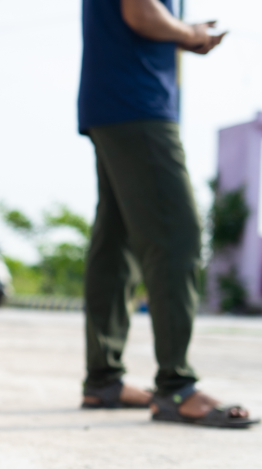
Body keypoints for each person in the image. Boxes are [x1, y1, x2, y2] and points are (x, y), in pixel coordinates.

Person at [78, 0, 258, 428]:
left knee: (116, 239)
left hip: (113, 100)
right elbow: (140, 12)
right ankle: (176, 387)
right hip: (136, 103)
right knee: (177, 234)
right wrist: (190, 34)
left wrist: (182, 30)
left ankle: (103, 380)